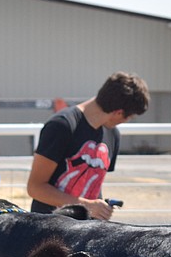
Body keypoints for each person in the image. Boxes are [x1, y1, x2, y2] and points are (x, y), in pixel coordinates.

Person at [26, 71, 150, 219]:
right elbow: (35, 188)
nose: (126, 121)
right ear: (118, 112)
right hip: (50, 232)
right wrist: (86, 206)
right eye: (129, 117)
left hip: (86, 232)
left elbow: (94, 185)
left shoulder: (112, 134)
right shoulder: (62, 126)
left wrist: (100, 208)